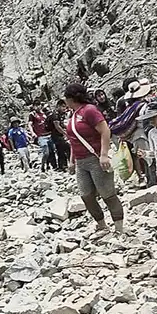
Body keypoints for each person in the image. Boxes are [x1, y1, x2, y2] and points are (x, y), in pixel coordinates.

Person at [64, 83, 125, 233]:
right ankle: (102, 224)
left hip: (95, 158)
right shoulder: (73, 115)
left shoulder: (89, 111)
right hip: (80, 161)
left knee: (107, 193)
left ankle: (119, 226)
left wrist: (104, 154)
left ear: (72, 98)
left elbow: (105, 131)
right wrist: (72, 161)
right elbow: (73, 140)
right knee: (86, 195)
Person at [109, 78, 154, 186]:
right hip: (141, 135)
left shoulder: (131, 107)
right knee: (149, 160)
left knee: (143, 158)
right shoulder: (141, 106)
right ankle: (152, 182)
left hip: (134, 136)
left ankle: (148, 180)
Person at [28, 100, 53, 172]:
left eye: (38, 105)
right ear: (33, 106)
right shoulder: (32, 114)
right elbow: (30, 124)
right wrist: (32, 133)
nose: (37, 106)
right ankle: (42, 165)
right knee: (46, 152)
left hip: (48, 134)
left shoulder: (44, 114)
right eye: (36, 105)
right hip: (40, 136)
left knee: (51, 151)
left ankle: (48, 165)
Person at [48, 100, 70, 171]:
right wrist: (66, 134)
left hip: (59, 135)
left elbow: (61, 124)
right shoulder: (55, 114)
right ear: (58, 106)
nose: (64, 109)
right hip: (55, 135)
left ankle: (64, 165)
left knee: (62, 149)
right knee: (63, 149)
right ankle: (63, 166)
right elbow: (57, 126)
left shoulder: (61, 114)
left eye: (65, 107)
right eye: (63, 107)